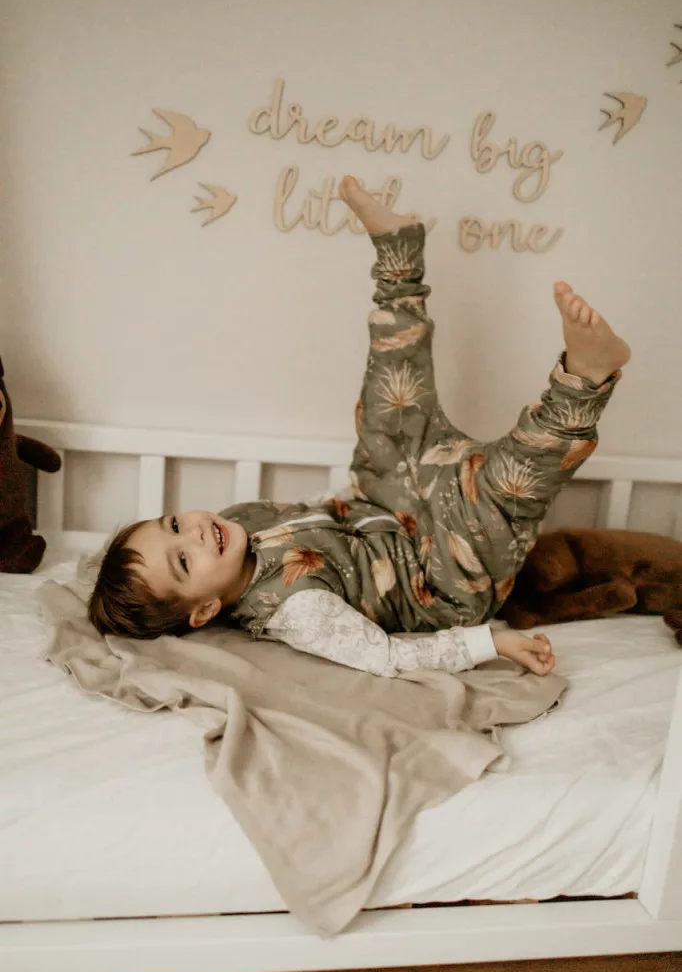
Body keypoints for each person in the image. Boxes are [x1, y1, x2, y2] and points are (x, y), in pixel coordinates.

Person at [88, 176, 630, 679]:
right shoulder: (295, 610)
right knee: (503, 487)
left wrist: (367, 484)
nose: (194, 532)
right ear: (205, 610)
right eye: (184, 559)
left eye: (173, 523)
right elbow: (386, 656)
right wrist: (490, 642)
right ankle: (584, 378)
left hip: (387, 506)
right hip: (443, 574)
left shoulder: (238, 520)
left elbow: (312, 514)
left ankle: (398, 255)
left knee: (389, 409)